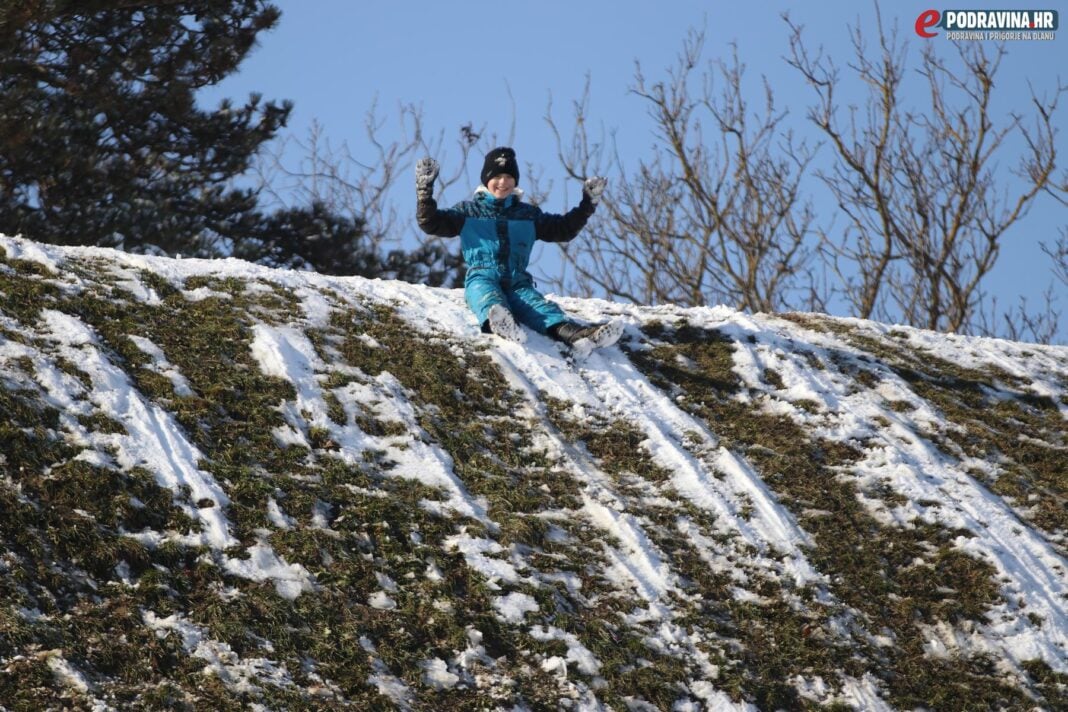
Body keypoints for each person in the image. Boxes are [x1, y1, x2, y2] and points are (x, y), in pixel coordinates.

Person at [415, 146, 622, 349]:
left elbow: (564, 229)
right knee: (484, 294)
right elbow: (431, 222)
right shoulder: (469, 212)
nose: (503, 182)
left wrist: (588, 204)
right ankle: (502, 324)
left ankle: (580, 337)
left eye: (508, 177)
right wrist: (425, 193)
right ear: (486, 179)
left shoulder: (527, 215)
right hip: (483, 274)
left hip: (518, 280)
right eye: (497, 177)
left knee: (541, 308)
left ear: (515, 181)